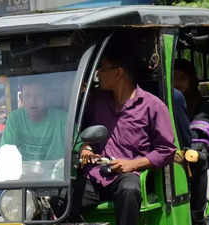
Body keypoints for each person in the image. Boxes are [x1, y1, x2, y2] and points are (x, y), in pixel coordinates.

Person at [68, 35, 176, 225]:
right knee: (60, 197)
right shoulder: (97, 102)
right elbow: (85, 133)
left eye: (102, 68)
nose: (98, 73)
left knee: (129, 190)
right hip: (96, 175)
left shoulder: (153, 106)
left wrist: (132, 165)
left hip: (127, 177)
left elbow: (166, 151)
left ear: (118, 72)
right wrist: (86, 148)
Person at [0, 77, 69, 217]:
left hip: (52, 184)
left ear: (47, 97)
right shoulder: (15, 118)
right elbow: (6, 151)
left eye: (38, 96)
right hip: (22, 182)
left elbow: (79, 147)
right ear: (22, 98)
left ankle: (31, 207)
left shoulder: (63, 119)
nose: (33, 101)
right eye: (28, 96)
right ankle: (31, 208)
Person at [174, 58, 209, 225]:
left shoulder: (204, 108)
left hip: (205, 159)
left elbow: (198, 141)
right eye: (173, 78)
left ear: (192, 81)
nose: (177, 83)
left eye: (182, 78)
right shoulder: (168, 105)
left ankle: (198, 217)